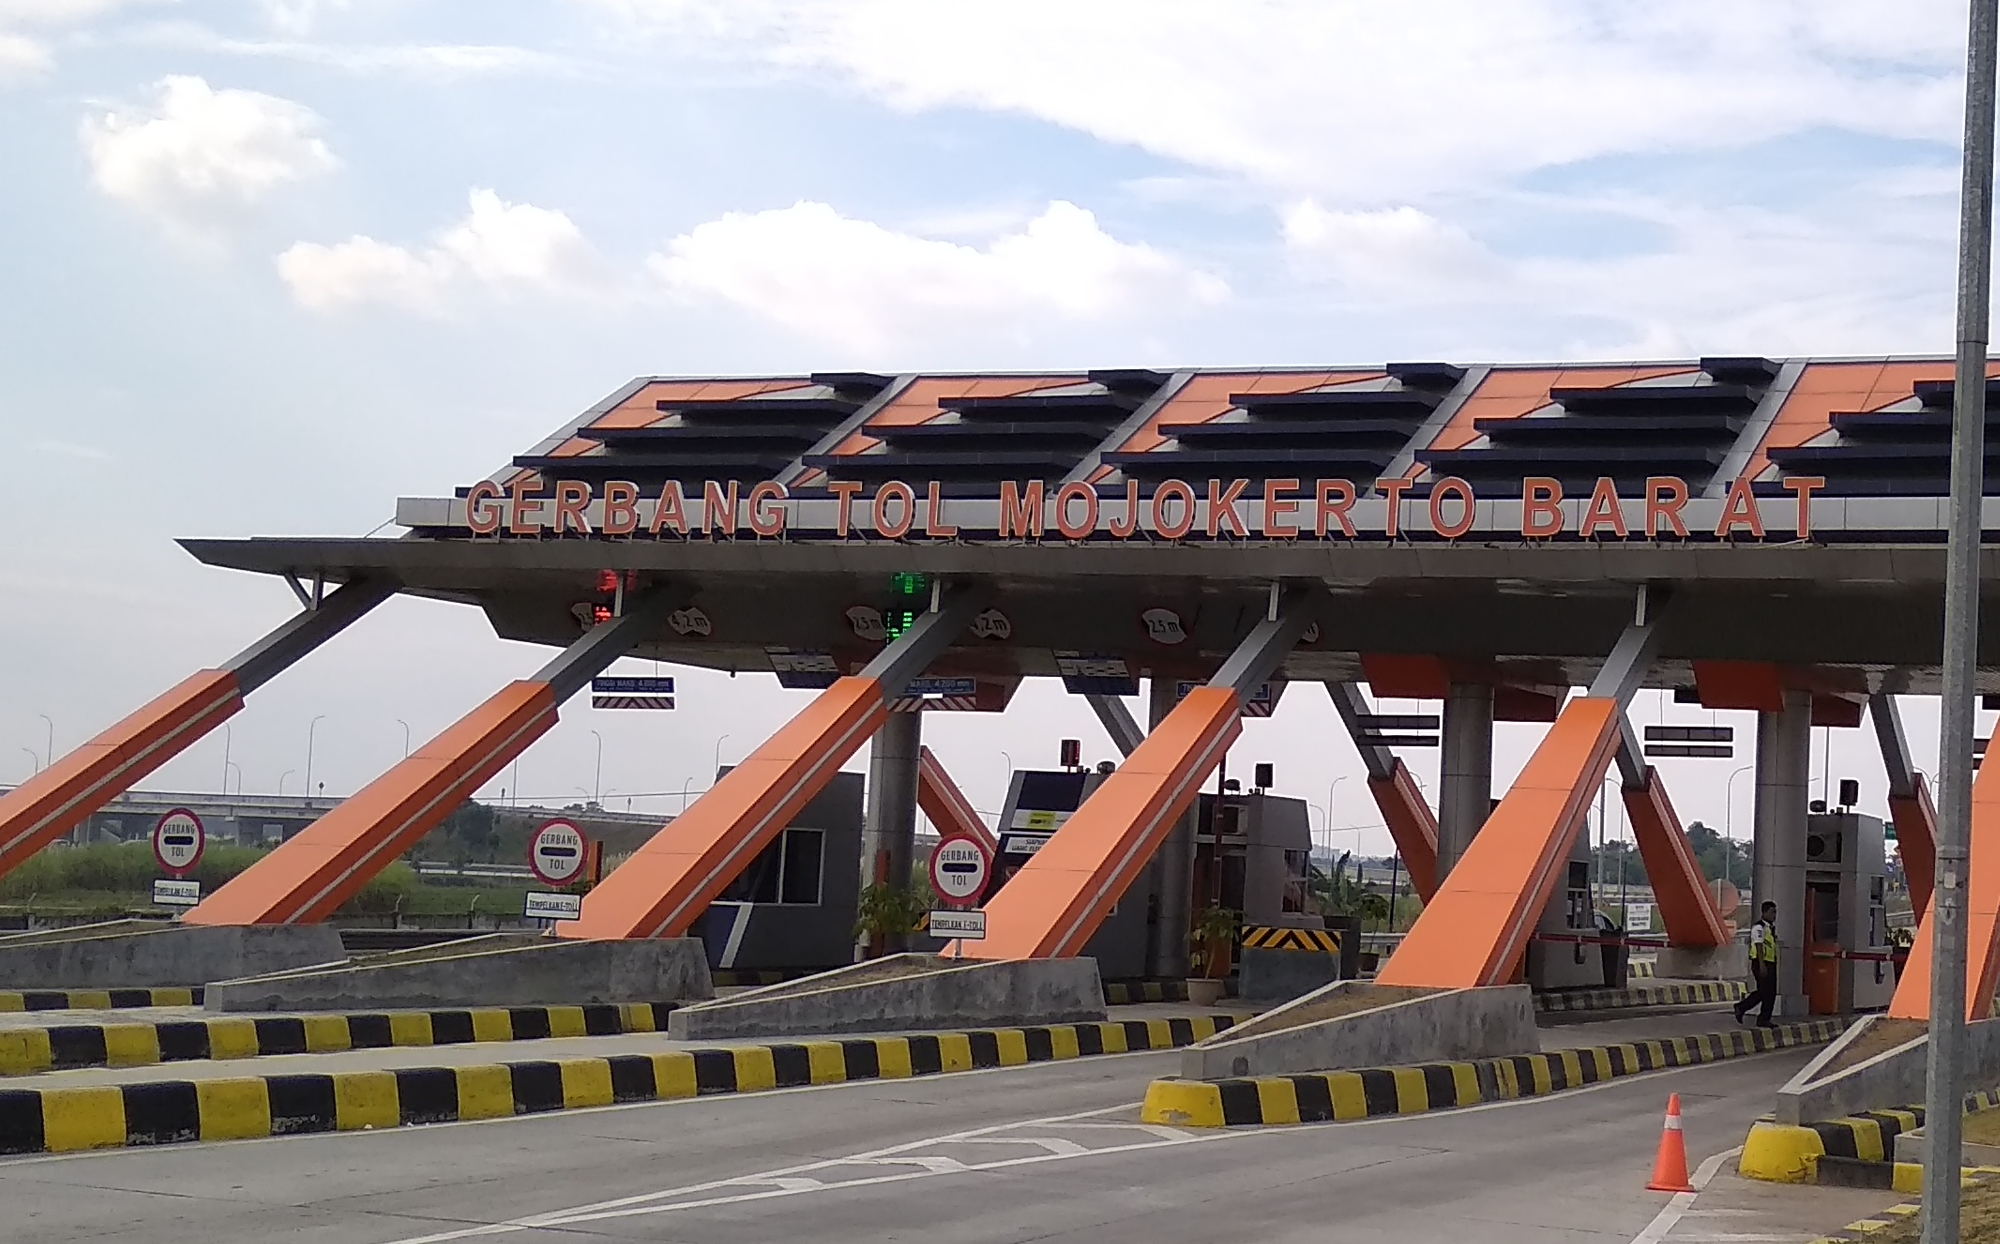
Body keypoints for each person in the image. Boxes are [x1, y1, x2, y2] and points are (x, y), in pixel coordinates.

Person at [1734, 901, 1780, 1028]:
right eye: (1772, 912)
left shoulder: (1769, 928)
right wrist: (1762, 965)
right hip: (1761, 962)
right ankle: (1741, 1007)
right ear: (1764, 912)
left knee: (1770, 993)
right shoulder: (1759, 928)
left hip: (1770, 962)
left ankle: (1764, 1019)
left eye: (1775, 912)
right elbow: (1758, 945)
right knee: (1764, 991)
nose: (1774, 915)